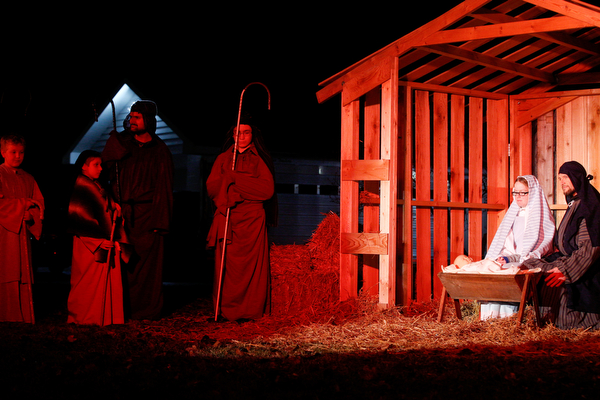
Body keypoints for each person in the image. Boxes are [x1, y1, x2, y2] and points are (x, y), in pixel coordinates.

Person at [101, 100, 173, 321]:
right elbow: (102, 171)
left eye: (138, 117)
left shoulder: (160, 150)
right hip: (120, 214)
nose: (132, 120)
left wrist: (160, 223)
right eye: (131, 116)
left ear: (148, 120)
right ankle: (118, 308)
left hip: (147, 215)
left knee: (146, 266)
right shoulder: (121, 143)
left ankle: (145, 311)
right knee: (120, 263)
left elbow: (165, 188)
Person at [206, 115, 277, 321]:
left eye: (246, 133)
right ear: (232, 134)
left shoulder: (259, 159)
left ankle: (249, 311)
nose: (241, 137)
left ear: (252, 135)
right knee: (226, 267)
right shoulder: (223, 159)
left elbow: (266, 190)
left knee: (251, 268)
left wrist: (234, 180)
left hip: (252, 221)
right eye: (238, 132)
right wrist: (230, 189)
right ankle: (224, 311)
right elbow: (212, 187)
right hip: (228, 218)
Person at [523, 161, 600, 330]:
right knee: (529, 265)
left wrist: (566, 271)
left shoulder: (590, 207)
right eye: (559, 178)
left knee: (559, 290)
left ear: (577, 177)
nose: (562, 182)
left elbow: (591, 248)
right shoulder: (574, 203)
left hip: (587, 270)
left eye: (565, 177)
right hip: (567, 258)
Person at [66, 150, 130, 325]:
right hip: (89, 245)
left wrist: (115, 208)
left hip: (106, 241)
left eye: (100, 164)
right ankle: (86, 318)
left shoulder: (98, 187)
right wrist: (98, 240)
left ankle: (106, 317)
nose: (101, 168)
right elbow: (79, 218)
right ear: (84, 167)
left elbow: (107, 212)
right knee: (87, 282)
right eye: (96, 165)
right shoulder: (82, 187)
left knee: (105, 280)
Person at [481, 175, 555, 319]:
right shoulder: (513, 216)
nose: (518, 196)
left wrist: (520, 260)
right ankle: (489, 320)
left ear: (532, 193)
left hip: (530, 262)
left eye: (523, 192)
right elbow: (507, 245)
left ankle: (508, 319)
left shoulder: (542, 217)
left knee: (511, 276)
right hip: (512, 260)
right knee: (492, 270)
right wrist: (505, 258)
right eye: (515, 192)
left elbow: (543, 247)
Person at [0, 134, 44, 323]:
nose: (18, 156)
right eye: (13, 152)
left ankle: (23, 316)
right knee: (6, 269)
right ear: (3, 153)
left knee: (22, 271)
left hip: (21, 234)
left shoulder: (28, 178)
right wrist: (21, 207)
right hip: (4, 234)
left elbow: (38, 203)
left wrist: (30, 216)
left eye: (21, 152)